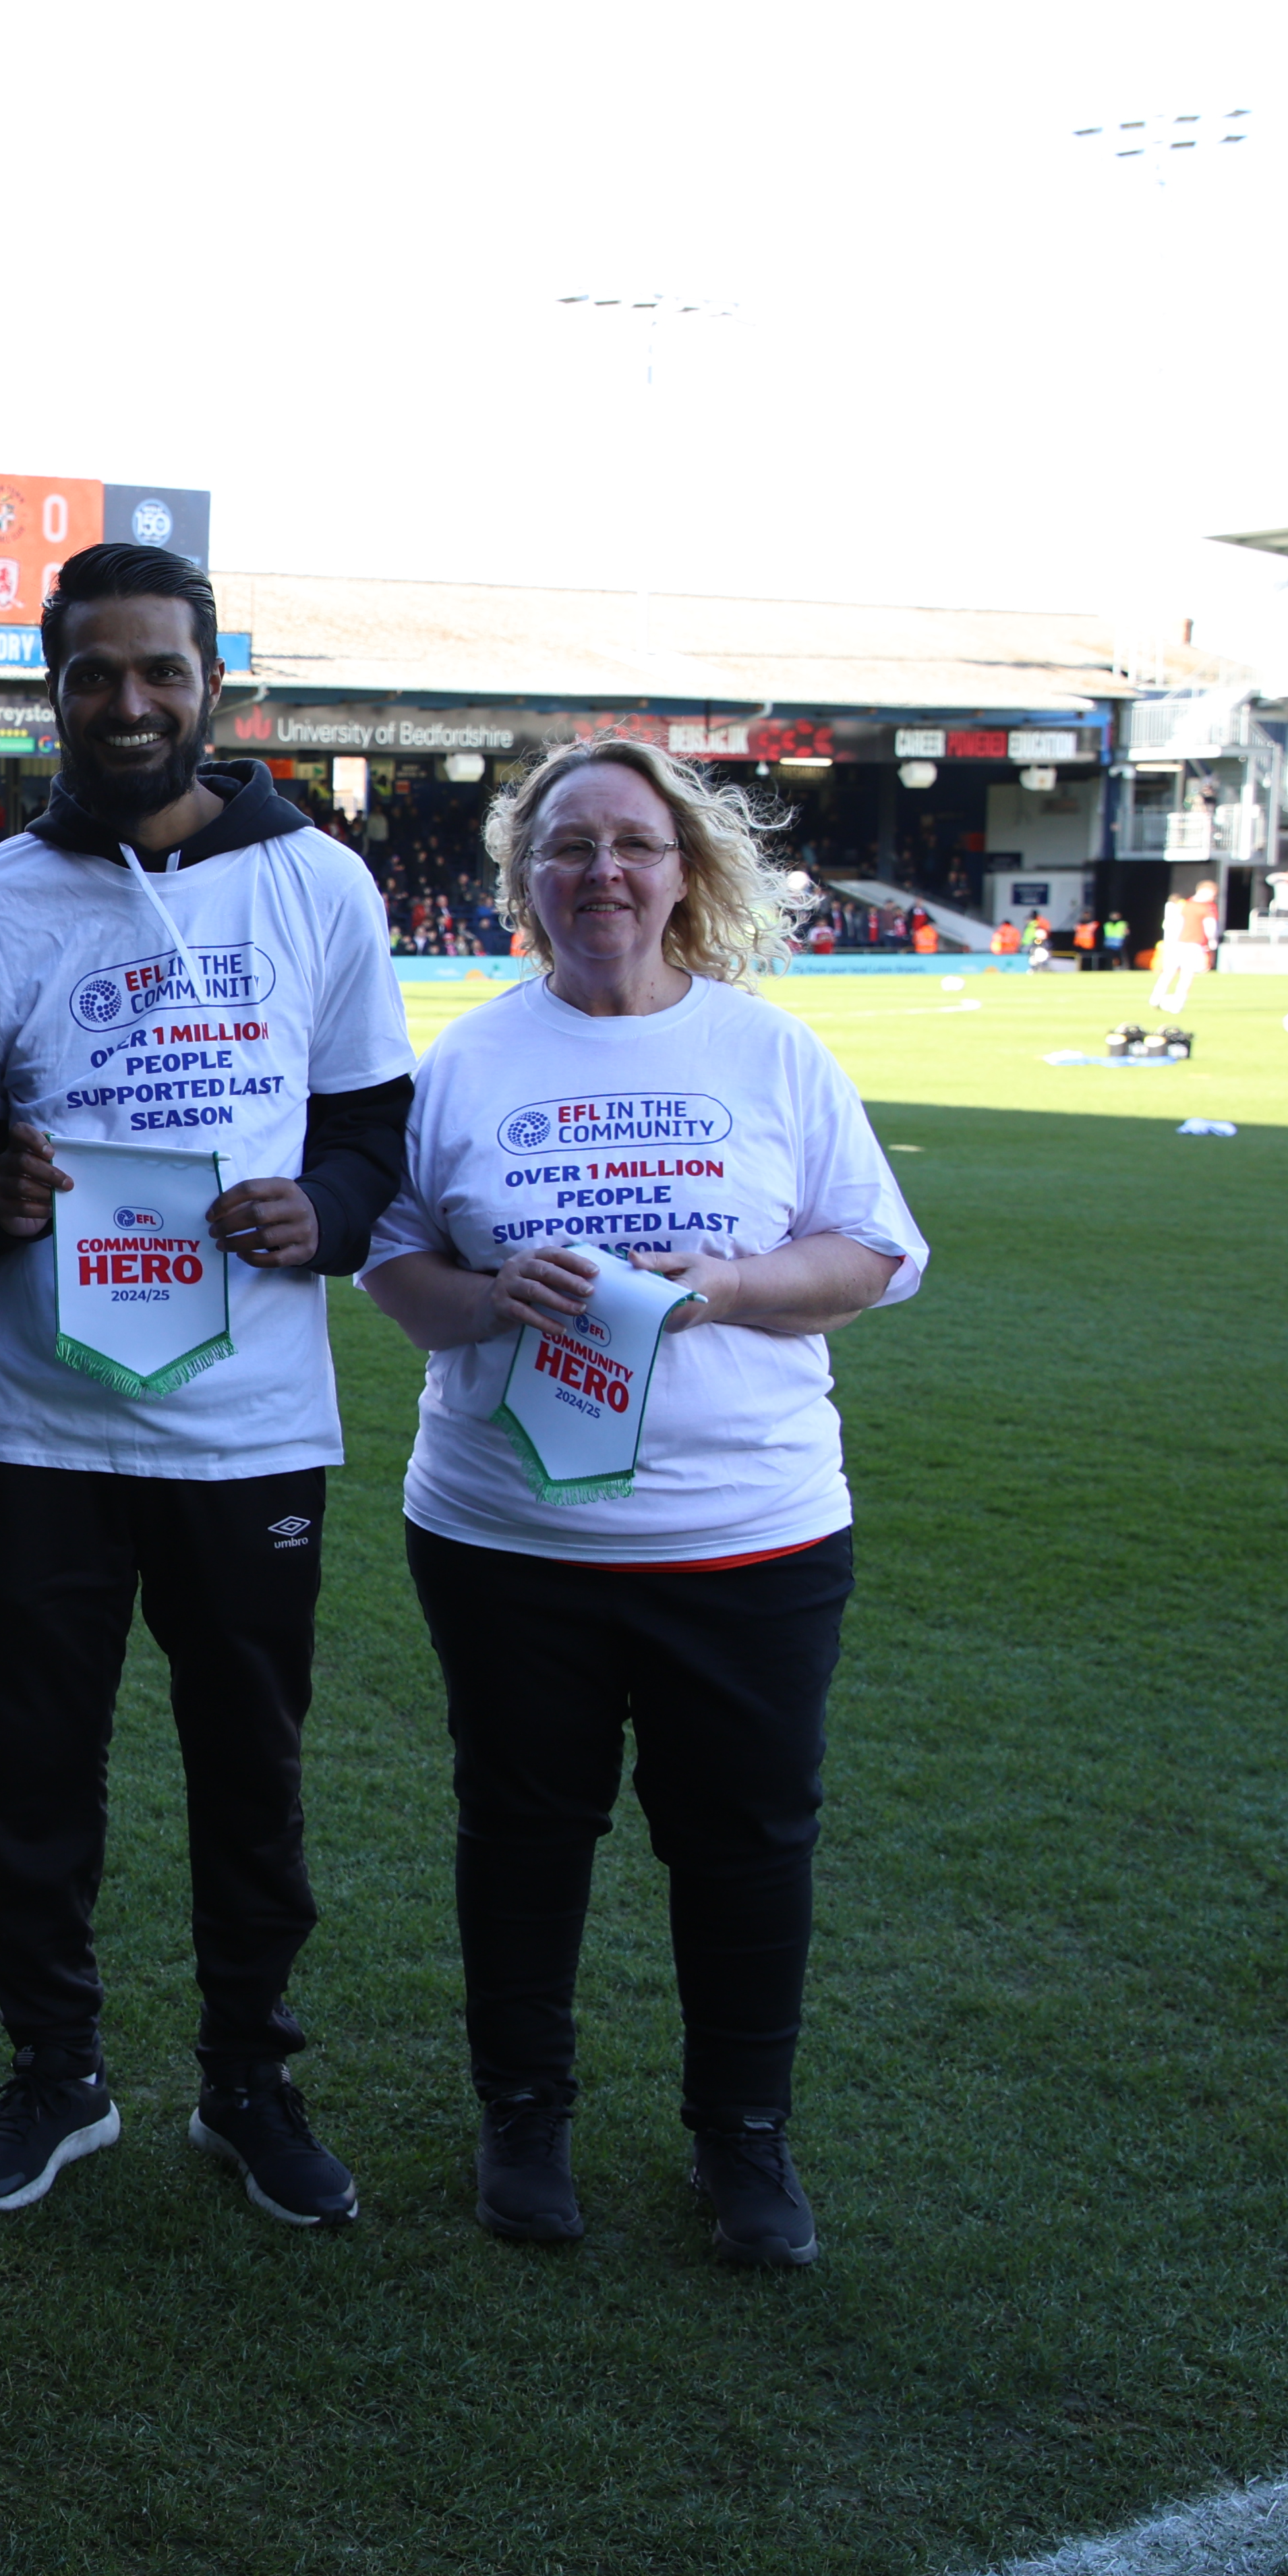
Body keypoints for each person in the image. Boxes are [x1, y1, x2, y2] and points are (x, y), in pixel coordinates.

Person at [361, 737, 927, 2267]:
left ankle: (742, 2138)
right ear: (522, 881)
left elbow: (871, 1255)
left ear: (686, 869)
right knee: (523, 1828)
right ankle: (523, 2114)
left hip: (750, 1532)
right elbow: (395, 1272)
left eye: (630, 842)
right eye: (565, 847)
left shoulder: (771, 1054)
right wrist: (484, 1297)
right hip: (507, 1536)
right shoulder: (466, 1063)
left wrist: (731, 1283)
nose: (599, 870)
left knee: (745, 1838)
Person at [0, 545, 414, 2225]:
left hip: (253, 1429)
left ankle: (247, 2078)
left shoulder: (321, 889)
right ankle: (53, 2075)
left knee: (250, 1771)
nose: (128, 703)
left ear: (217, 688)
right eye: (94, 675)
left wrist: (327, 1215)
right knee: (33, 1774)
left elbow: (369, 1128)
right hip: (38, 1425)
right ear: (51, 691)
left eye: (160, 671)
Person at [1150, 882, 1216, 1017]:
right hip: (1193, 944)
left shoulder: (1184, 904)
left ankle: (1157, 999)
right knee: (1186, 975)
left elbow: (1171, 924)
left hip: (1178, 943)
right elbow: (1211, 927)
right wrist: (1212, 942)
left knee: (1171, 972)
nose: (1213, 897)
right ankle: (1175, 1004)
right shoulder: (1207, 908)